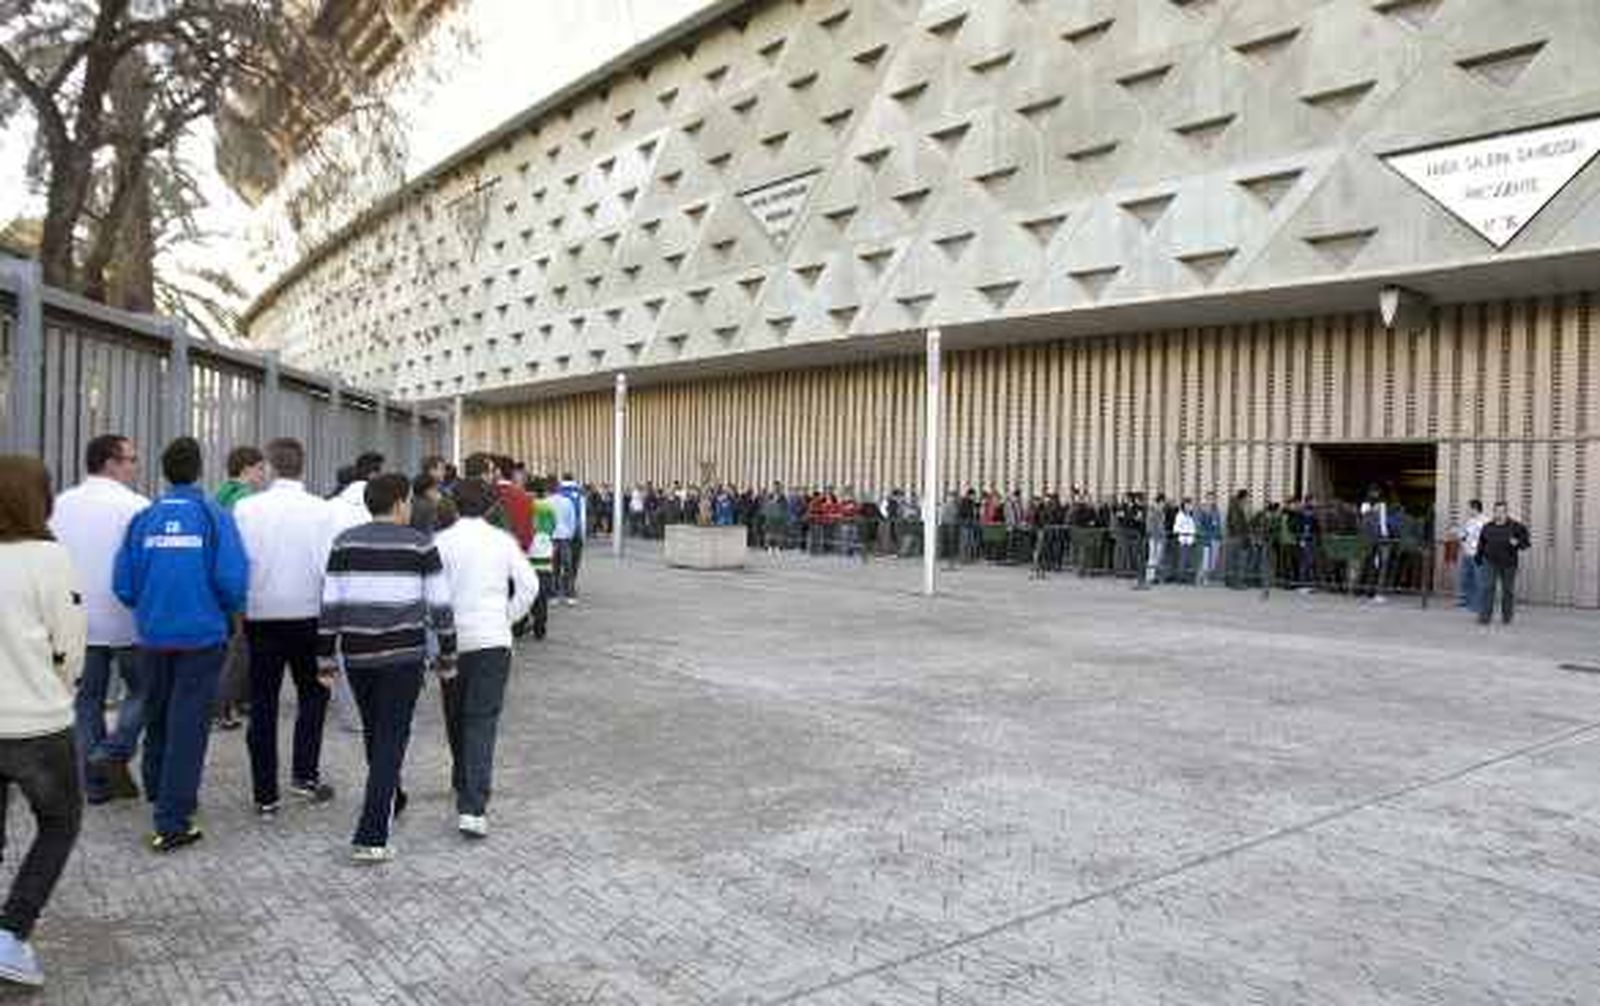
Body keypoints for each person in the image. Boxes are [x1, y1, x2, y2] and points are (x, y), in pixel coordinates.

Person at [113, 437, 249, 852]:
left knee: (157, 713)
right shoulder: (213, 516)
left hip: (153, 635)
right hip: (201, 635)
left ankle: (158, 789)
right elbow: (232, 580)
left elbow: (123, 584)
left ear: (164, 472)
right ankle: (172, 821)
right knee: (188, 725)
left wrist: (152, 607)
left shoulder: (144, 518)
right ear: (200, 470)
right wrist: (222, 611)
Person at [318, 474, 456, 863]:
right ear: (398, 504)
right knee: (392, 737)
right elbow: (440, 605)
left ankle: (393, 795)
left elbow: (330, 603)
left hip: (358, 655)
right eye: (408, 501)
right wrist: (448, 656)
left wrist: (325, 659)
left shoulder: (344, 543)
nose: (410, 507)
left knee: (376, 731)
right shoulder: (420, 543)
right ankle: (371, 834)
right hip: (403, 656)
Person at [0, 456, 87, 988]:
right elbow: (69, 644)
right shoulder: (49, 558)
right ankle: (11, 932)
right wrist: (61, 688)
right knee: (58, 823)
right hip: (36, 722)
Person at [233, 438, 340, 816]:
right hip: (309, 615)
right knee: (313, 695)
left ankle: (265, 795)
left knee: (263, 702)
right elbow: (330, 567)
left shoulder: (246, 508)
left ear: (270, 467)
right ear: (302, 466)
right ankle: (305, 775)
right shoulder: (322, 510)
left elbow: (239, 562)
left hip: (261, 616)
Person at [433, 480, 537, 837]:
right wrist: (506, 616)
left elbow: (430, 593)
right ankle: (473, 807)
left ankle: (462, 776)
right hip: (492, 640)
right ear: (490, 507)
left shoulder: (440, 542)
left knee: (455, 714)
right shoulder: (501, 541)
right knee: (482, 719)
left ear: (454, 504)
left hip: (451, 640)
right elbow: (530, 585)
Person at [48, 434, 148, 804]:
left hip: (75, 619)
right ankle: (113, 751)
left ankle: (95, 784)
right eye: (131, 459)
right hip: (127, 620)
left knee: (85, 701)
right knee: (146, 691)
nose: (136, 466)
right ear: (110, 463)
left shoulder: (60, 505)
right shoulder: (137, 506)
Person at [213, 446, 268, 731]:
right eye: (260, 468)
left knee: (228, 645)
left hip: (219, 581)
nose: (264, 474)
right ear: (247, 469)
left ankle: (239, 700)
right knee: (241, 646)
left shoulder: (219, 494)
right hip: (240, 582)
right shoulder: (247, 500)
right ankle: (223, 708)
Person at [1477, 502, 1531, 625]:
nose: (1499, 514)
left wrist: (1517, 543)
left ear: (1506, 512)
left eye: (1502, 511)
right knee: (1488, 588)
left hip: (1509, 563)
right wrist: (1479, 558)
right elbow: (1481, 543)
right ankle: (1485, 617)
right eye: (1497, 511)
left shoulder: (1516, 526)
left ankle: (1507, 616)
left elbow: (1526, 543)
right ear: (1494, 512)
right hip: (1490, 561)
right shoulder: (1487, 527)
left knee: (1507, 590)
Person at [527, 478, 558, 639]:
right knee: (542, 592)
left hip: (529, 551)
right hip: (545, 550)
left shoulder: (527, 505)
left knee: (527, 590)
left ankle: (522, 622)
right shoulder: (549, 507)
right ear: (543, 492)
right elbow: (553, 526)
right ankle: (540, 627)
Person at [557, 472, 587, 600]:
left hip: (557, 533)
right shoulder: (580, 493)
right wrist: (583, 534)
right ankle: (569, 586)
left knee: (557, 561)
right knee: (573, 562)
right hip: (575, 532)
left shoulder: (556, 491)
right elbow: (582, 516)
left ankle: (556, 587)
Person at [1456, 499, 1487, 610]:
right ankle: (1465, 601)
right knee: (1465, 578)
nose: (1467, 510)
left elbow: (1485, 538)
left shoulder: (1485, 521)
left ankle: (1478, 604)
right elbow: (1463, 534)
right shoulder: (1468, 521)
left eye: (1469, 508)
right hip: (1466, 553)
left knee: (1478, 579)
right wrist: (1460, 535)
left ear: (1475, 508)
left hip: (1478, 554)